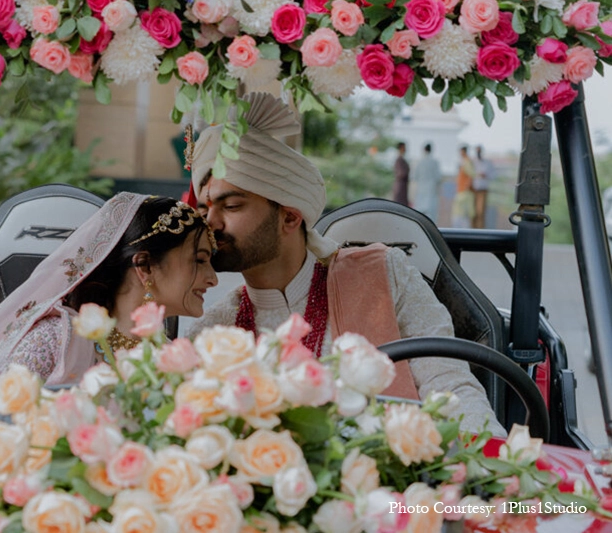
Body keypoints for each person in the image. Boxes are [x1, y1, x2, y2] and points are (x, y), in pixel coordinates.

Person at [188, 92, 503, 435]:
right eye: (204, 211)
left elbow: (450, 389)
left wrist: (489, 466)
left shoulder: (384, 275)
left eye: (230, 206)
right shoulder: (214, 331)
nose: (211, 223)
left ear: (290, 218)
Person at [0, 193, 218, 421]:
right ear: (145, 267)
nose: (213, 279)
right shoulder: (55, 339)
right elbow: (0, 436)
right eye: (200, 261)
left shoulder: (171, 355)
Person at [413, 142, 441, 222]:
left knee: (419, 215)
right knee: (431, 215)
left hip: (421, 190)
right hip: (431, 190)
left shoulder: (419, 161)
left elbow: (415, 176)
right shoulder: (435, 162)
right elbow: (438, 177)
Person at [452, 146, 476, 228]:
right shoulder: (464, 162)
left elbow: (471, 175)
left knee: (463, 215)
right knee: (460, 214)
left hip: (464, 192)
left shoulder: (467, 162)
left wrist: (466, 187)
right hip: (462, 190)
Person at [472, 145, 494, 229]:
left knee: (480, 211)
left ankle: (480, 229)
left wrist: (486, 175)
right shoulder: (473, 162)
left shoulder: (487, 163)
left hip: (482, 190)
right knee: (473, 212)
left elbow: (493, 174)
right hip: (473, 190)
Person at [391, 141, 410, 206]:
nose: (405, 149)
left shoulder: (402, 159)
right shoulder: (399, 160)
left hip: (403, 187)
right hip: (400, 187)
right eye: (404, 147)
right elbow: (401, 173)